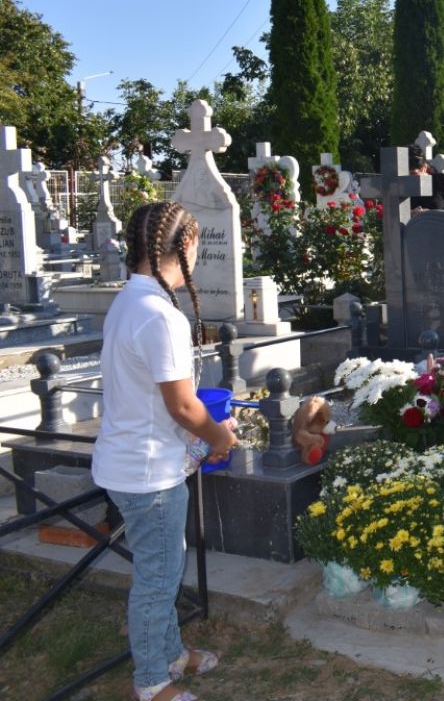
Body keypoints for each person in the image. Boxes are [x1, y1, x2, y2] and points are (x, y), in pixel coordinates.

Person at [92, 201, 240, 701]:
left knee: (164, 569)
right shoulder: (159, 314)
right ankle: (152, 681)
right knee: (157, 581)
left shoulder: (130, 300)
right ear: (186, 245)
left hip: (134, 459)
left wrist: (203, 435)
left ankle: (171, 652)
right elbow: (182, 406)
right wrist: (218, 437)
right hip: (147, 471)